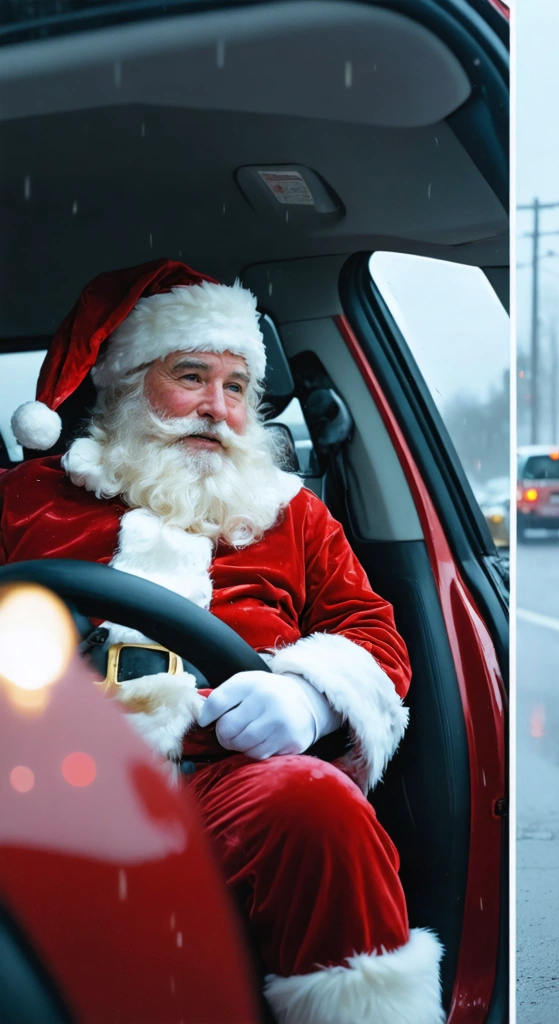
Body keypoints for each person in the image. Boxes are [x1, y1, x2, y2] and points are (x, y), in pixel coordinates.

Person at [0, 259, 444, 1024]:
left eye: (236, 386)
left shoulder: (293, 514)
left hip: (223, 777)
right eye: (191, 376)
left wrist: (309, 698)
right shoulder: (27, 497)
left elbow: (372, 630)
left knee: (317, 808)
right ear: (126, 381)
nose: (216, 407)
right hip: (36, 779)